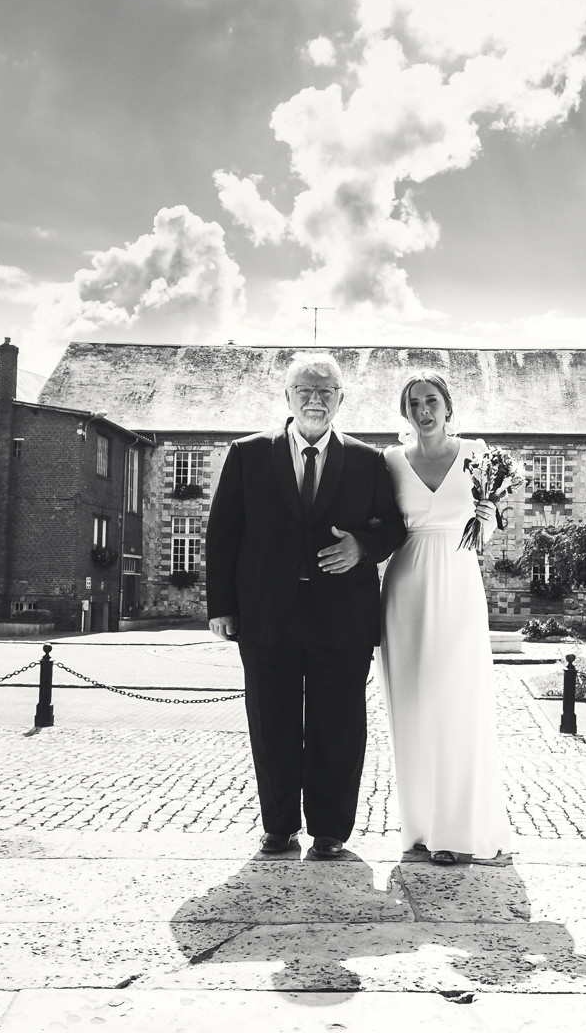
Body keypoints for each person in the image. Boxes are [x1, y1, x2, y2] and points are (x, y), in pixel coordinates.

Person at [206, 355, 406, 860]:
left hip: (342, 619)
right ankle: (278, 827)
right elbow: (223, 533)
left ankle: (331, 830)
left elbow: (394, 527)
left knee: (337, 726)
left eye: (326, 391)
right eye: (305, 390)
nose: (315, 399)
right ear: (287, 396)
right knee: (270, 722)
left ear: (341, 398)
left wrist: (362, 546)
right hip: (265, 615)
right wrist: (221, 606)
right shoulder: (248, 453)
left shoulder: (368, 461)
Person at [378, 371, 512, 866]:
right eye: (414, 403)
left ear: (448, 407)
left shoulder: (477, 455)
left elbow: (486, 531)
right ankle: (419, 826)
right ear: (405, 411)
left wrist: (489, 518)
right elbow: (380, 524)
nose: (423, 410)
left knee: (457, 706)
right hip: (405, 588)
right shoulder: (391, 461)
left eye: (431, 400)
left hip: (458, 585)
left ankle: (454, 831)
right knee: (412, 708)